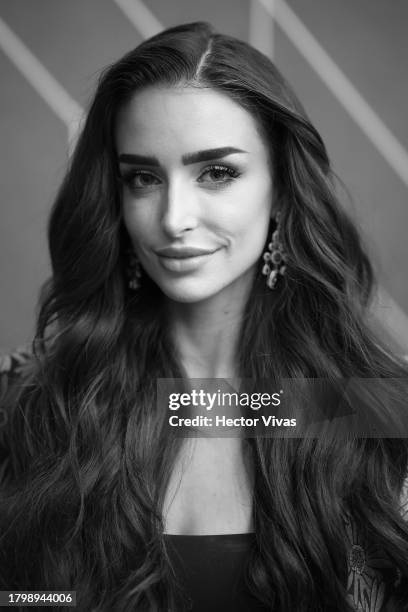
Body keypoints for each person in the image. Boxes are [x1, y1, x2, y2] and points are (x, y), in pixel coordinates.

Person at [1, 21, 408, 612]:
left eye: (217, 173)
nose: (173, 218)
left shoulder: (369, 405)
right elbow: (27, 599)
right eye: (143, 178)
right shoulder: (36, 400)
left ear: (283, 190)